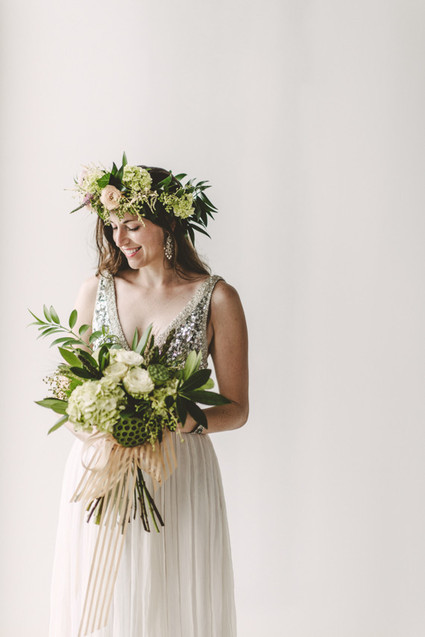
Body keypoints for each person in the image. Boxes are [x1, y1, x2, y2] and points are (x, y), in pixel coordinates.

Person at [48, 159, 249, 637]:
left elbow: (237, 408)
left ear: (169, 222)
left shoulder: (217, 298)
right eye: (112, 226)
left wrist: (186, 419)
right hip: (100, 469)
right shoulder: (94, 291)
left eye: (133, 225)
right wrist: (96, 424)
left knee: (172, 599)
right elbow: (73, 392)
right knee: (105, 600)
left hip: (177, 470)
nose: (120, 238)